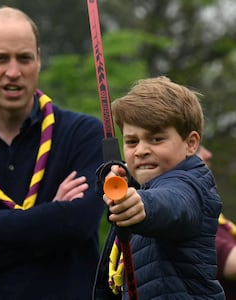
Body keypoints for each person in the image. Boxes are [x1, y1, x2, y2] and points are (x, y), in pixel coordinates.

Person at [0, 6, 105, 300]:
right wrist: (50, 222)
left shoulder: (84, 133)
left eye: (24, 58)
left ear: (39, 59)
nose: (13, 72)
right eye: (1, 58)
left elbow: (78, 224)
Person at [93, 76, 225, 299]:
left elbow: (173, 203)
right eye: (132, 142)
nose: (141, 150)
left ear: (191, 143)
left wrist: (142, 205)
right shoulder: (140, 183)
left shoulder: (191, 185)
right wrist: (109, 176)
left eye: (156, 139)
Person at [197, 145, 236, 299]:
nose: (208, 154)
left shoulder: (217, 218)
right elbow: (233, 265)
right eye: (197, 150)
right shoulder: (196, 218)